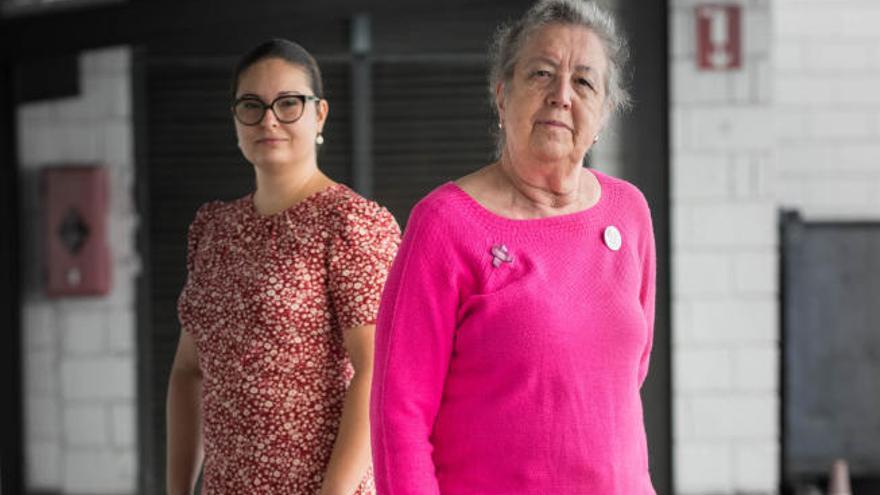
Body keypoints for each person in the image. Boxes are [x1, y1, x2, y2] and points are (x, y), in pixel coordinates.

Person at [370, 1, 656, 493]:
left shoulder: (628, 211)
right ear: (502, 93)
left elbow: (628, 375)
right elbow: (399, 414)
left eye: (584, 82)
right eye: (541, 74)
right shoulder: (445, 223)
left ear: (605, 112)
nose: (561, 96)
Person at [167, 38, 399, 495]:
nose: (268, 119)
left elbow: (378, 371)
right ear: (235, 119)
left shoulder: (352, 224)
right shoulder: (213, 229)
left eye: (288, 103)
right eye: (251, 105)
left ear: (320, 115)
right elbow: (187, 370)